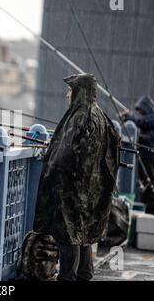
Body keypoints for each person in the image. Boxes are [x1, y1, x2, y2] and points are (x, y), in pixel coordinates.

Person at [33, 73, 121, 281]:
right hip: (92, 190)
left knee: (69, 235)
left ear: (79, 92)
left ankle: (68, 277)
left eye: (71, 90)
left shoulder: (80, 115)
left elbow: (64, 153)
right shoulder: (101, 115)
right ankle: (85, 274)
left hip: (73, 189)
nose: (67, 95)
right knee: (83, 234)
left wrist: (47, 160)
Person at [121, 95, 154, 216]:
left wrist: (130, 116)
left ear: (147, 107)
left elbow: (142, 122)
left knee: (151, 182)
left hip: (153, 156)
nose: (140, 112)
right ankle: (151, 208)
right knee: (146, 182)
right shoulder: (153, 116)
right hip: (149, 155)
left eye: (141, 110)